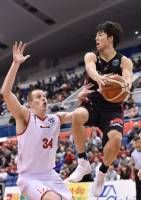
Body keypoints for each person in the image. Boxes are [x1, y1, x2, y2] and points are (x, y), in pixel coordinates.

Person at [1, 41, 92, 200]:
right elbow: (6, 93)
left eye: (44, 96)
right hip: (29, 177)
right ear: (30, 103)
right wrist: (16, 63)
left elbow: (77, 115)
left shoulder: (55, 118)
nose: (43, 99)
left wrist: (83, 100)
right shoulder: (25, 116)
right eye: (38, 97)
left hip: (50, 175)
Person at [67, 21, 133, 197]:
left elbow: (128, 78)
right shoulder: (91, 56)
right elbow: (90, 69)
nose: (96, 38)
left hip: (112, 109)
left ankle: (102, 173)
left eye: (100, 35)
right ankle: (82, 162)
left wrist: (126, 85)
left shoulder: (124, 60)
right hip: (93, 104)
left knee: (117, 139)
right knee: (77, 115)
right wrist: (99, 78)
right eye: (96, 35)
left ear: (110, 38)